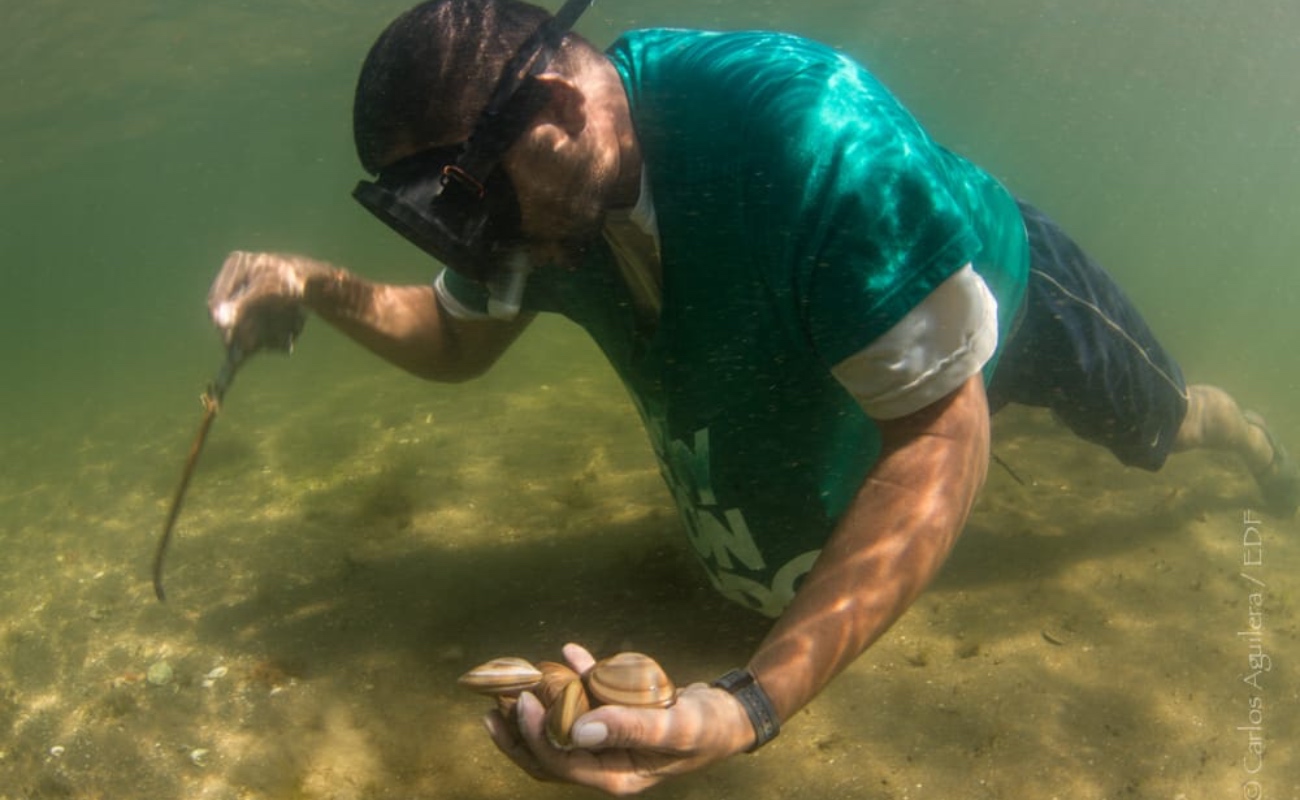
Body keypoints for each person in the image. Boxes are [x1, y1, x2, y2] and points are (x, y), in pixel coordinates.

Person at [206, 0, 1299, 793]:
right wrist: (317, 283)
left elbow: (937, 431)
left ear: (548, 105)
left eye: (468, 205)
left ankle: (1232, 432)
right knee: (766, 549)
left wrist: (753, 701)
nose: (476, 245)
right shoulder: (538, 193)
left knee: (1156, 428)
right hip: (833, 325)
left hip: (995, 286)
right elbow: (454, 335)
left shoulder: (809, 135)